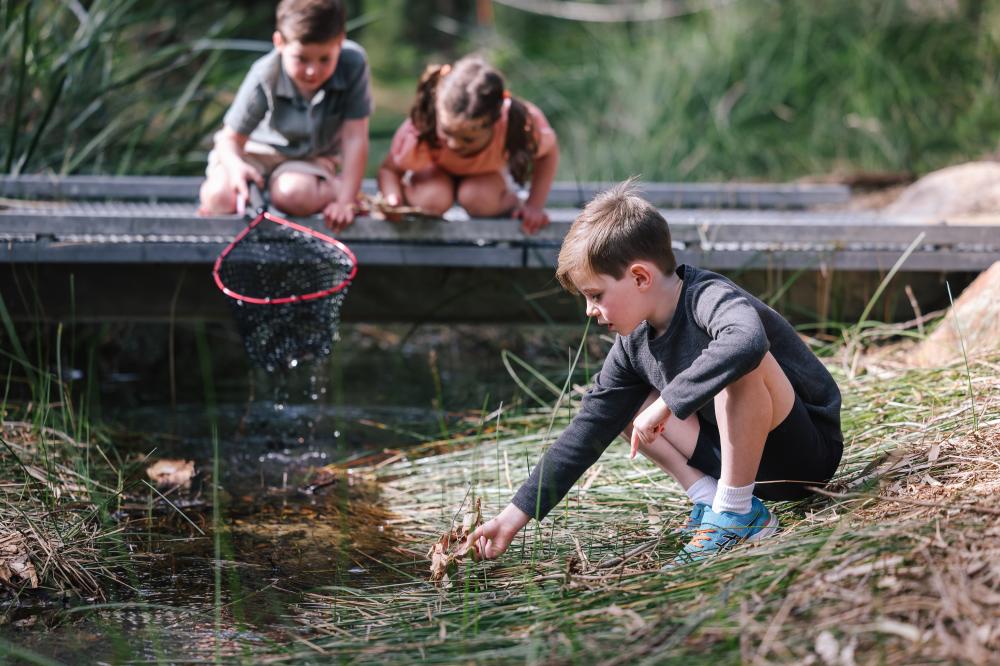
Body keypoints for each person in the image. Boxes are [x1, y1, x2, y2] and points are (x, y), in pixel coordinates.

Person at [467, 180, 844, 564]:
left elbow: (747, 341)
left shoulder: (707, 297)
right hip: (735, 458)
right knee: (614, 406)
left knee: (741, 363)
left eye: (595, 295)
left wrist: (668, 402)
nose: (589, 311)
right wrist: (512, 518)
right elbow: (587, 429)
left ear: (640, 277)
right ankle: (709, 498)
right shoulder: (633, 344)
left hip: (803, 456)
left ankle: (736, 513)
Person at [198, 0, 371, 231]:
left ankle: (340, 190)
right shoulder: (265, 74)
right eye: (302, 59)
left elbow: (354, 137)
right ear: (279, 43)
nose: (312, 71)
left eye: (324, 59)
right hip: (257, 153)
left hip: (309, 159)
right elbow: (229, 139)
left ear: (340, 42)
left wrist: (345, 202)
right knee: (218, 197)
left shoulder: (353, 63)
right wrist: (236, 166)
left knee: (293, 194)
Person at [377, 56, 559, 235]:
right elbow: (389, 169)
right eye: (447, 133)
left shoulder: (519, 123)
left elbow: (548, 153)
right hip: (434, 177)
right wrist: (392, 199)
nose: (454, 144)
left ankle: (513, 202)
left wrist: (534, 205)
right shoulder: (425, 123)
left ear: (495, 123)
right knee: (432, 198)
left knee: (478, 197)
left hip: (484, 180)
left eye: (468, 139)